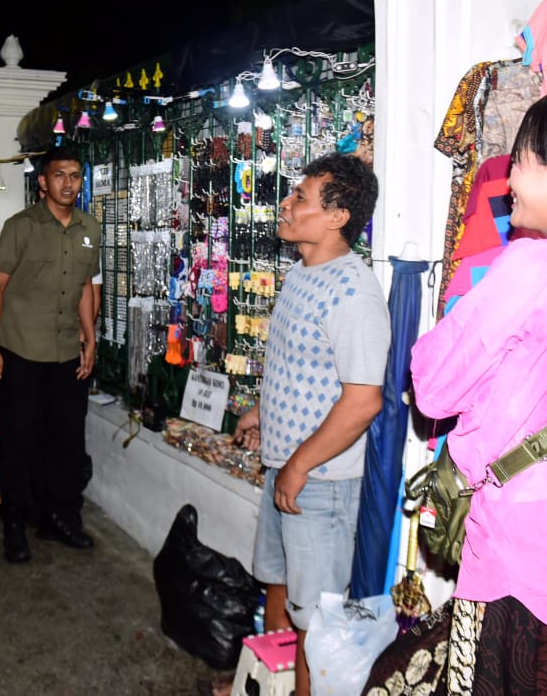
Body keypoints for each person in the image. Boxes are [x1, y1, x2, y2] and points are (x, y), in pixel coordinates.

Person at [365, 90, 547, 694]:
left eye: (519, 161)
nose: (506, 183)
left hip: (521, 576)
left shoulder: (536, 266)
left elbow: (435, 386)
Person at [233, 153, 389, 696]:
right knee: (278, 587)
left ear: (337, 217)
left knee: (316, 621)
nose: (287, 203)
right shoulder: (303, 273)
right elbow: (297, 363)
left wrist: (299, 463)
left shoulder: (355, 291)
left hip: (321, 483)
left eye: (300, 197)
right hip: (288, 468)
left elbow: (364, 399)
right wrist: (261, 412)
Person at [0, 145, 101, 563]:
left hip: (66, 352)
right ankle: (14, 523)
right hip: (20, 352)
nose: (68, 183)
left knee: (67, 441)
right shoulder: (22, 226)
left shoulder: (90, 227)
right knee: (19, 442)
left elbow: (86, 286)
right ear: (43, 182)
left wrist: (89, 338)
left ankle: (60, 518)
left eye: (74, 175)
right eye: (59, 176)